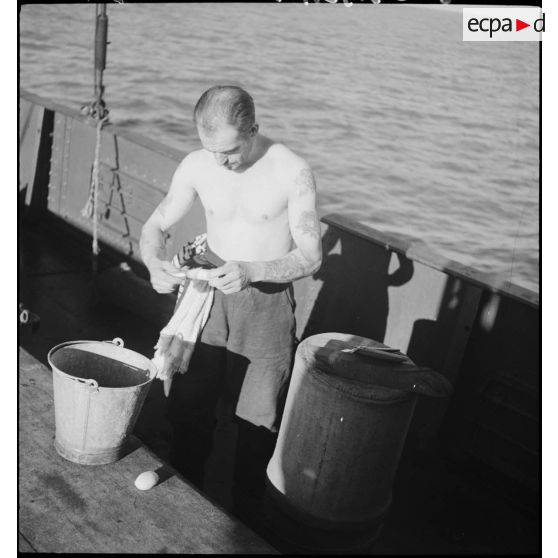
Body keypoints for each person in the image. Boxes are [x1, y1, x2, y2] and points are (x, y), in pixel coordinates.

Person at [139, 85, 322, 521]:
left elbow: (311, 256)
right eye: (210, 150)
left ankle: (246, 522)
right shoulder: (198, 164)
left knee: (257, 421)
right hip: (210, 296)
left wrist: (253, 271)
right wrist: (152, 264)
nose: (220, 162)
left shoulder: (292, 171)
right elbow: (157, 224)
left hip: (266, 303)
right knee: (189, 407)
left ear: (254, 130)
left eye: (230, 151)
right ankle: (183, 500)